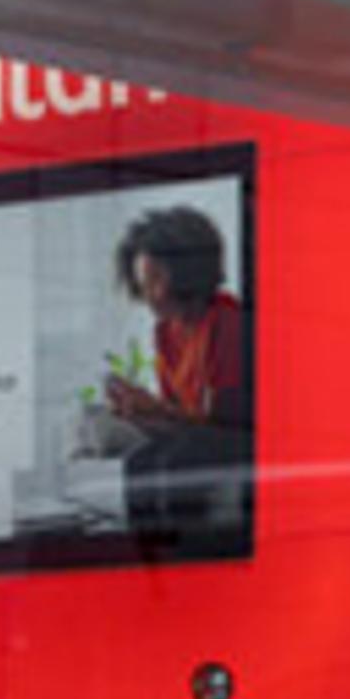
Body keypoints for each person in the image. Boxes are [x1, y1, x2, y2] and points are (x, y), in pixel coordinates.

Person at [104, 204, 251, 546]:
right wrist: (137, 413)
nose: (147, 294)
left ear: (187, 272)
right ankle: (149, 567)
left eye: (156, 279)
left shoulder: (227, 322)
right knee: (139, 463)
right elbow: (176, 423)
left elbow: (221, 424)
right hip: (197, 436)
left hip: (234, 437)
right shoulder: (165, 334)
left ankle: (188, 563)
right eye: (143, 281)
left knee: (178, 460)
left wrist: (157, 410)